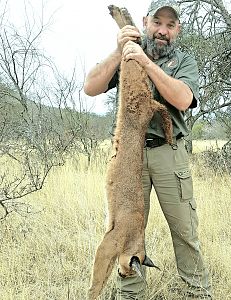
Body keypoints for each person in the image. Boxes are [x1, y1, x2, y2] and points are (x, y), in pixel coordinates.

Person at [84, 0, 212, 299]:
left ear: (177, 29)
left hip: (168, 152)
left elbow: (182, 100)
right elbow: (90, 86)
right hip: (129, 158)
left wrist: (146, 62)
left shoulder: (183, 61)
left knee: (184, 231)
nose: (162, 31)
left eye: (170, 25)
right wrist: (120, 52)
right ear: (145, 22)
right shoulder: (127, 53)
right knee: (126, 230)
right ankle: (131, 294)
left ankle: (198, 293)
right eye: (157, 23)